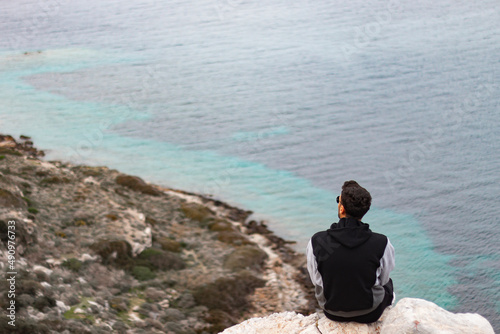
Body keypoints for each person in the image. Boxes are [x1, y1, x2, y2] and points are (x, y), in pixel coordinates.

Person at [306, 180, 395, 323]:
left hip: (332, 312)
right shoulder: (382, 243)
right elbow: (383, 279)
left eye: (338, 201)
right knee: (388, 284)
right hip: (370, 313)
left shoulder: (317, 241)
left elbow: (317, 280)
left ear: (341, 209)